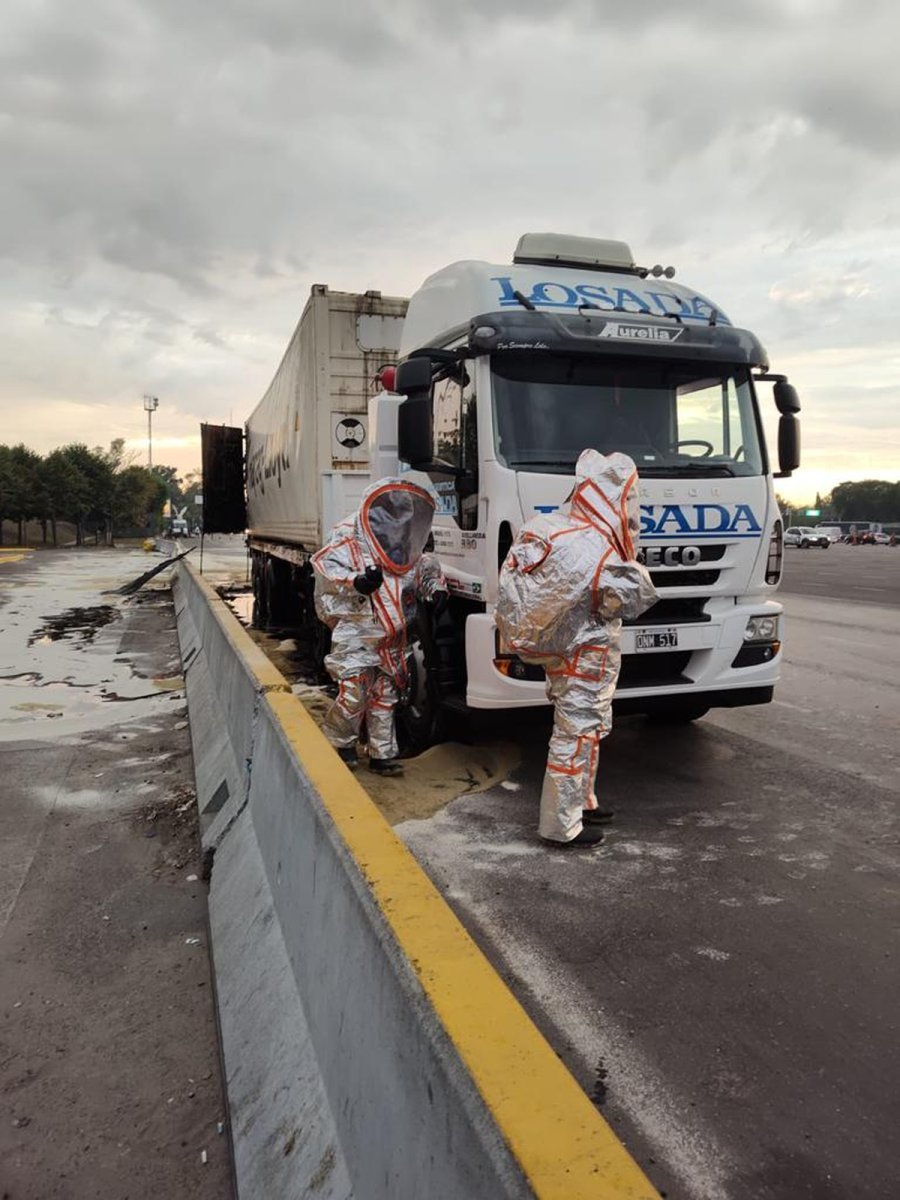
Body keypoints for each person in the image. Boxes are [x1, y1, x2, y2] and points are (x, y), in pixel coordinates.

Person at [496, 449, 657, 846]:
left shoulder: (553, 527)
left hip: (562, 652)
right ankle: (561, 826)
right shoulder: (594, 547)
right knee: (576, 735)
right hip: (585, 657)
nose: (633, 518)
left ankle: (584, 802)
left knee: (586, 732)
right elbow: (637, 597)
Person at [312, 477, 447, 774]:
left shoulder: (407, 544)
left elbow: (424, 568)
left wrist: (436, 591)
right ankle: (341, 743)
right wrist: (356, 582)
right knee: (354, 693)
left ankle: (381, 754)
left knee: (385, 696)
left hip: (393, 636)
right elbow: (326, 569)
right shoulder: (350, 538)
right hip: (357, 632)